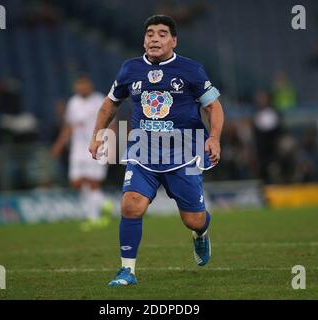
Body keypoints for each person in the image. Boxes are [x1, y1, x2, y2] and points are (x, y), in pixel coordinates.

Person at [89, 15, 224, 286]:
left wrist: (215, 138)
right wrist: (98, 135)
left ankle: (201, 234)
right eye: (150, 33)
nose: (154, 38)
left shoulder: (191, 70)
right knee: (130, 205)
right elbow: (109, 104)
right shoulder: (129, 69)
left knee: (193, 220)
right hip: (143, 151)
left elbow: (213, 107)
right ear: (144, 40)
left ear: (174, 41)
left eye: (162, 34)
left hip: (184, 153)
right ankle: (127, 270)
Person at [52, 75, 111, 231]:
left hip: (97, 146)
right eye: (79, 86)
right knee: (77, 182)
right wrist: (59, 144)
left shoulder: (100, 100)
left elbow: (111, 122)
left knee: (93, 182)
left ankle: (94, 218)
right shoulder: (73, 103)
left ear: (90, 86)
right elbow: (69, 126)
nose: (81, 88)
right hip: (77, 149)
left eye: (84, 85)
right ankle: (103, 202)